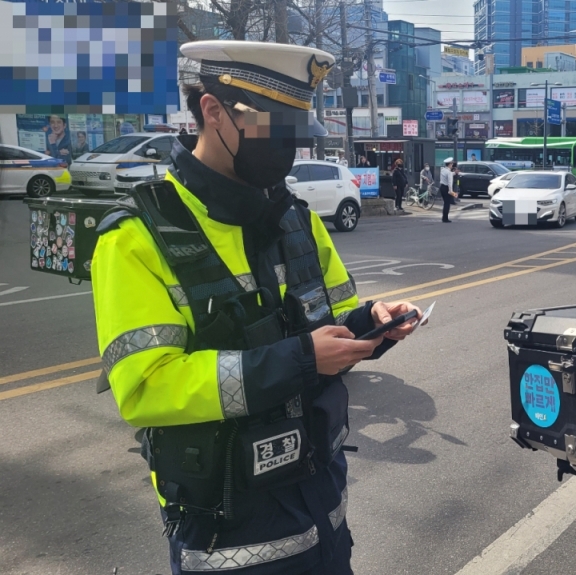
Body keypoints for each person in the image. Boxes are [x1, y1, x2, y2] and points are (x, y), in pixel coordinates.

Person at [91, 40, 422, 575]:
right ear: (212, 111)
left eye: (296, 134)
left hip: (323, 512)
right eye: (275, 131)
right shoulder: (136, 238)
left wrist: (373, 323)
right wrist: (299, 359)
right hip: (229, 534)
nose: (288, 149)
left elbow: (334, 325)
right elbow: (147, 388)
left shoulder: (297, 218)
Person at [439, 157, 456, 222]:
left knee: (445, 202)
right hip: (447, 188)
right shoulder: (449, 172)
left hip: (442, 187)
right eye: (451, 164)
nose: (452, 165)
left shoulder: (443, 170)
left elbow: (448, 175)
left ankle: (444, 217)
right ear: (449, 164)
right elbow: (450, 182)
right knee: (447, 203)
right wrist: (451, 191)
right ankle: (445, 218)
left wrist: (454, 173)